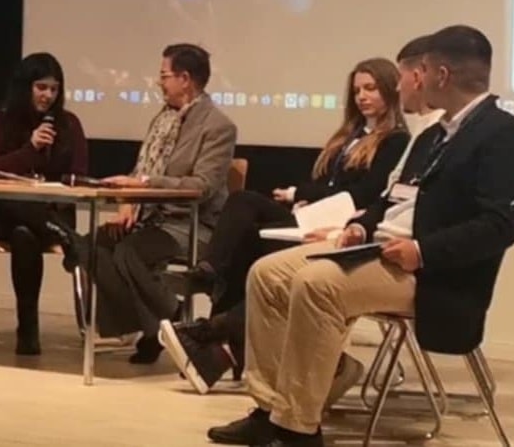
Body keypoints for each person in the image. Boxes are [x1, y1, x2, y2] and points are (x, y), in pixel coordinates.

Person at [205, 25, 514, 447]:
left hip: (429, 272)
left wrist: (421, 251)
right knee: (267, 274)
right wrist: (360, 226)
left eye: (420, 70)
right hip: (376, 247)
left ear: (441, 75)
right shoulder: (435, 135)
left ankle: (296, 427)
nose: (410, 82)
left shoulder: (503, 136)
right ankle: (270, 409)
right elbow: (390, 198)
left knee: (316, 284)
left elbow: (499, 226)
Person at [159, 56, 410, 392]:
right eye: (357, 91)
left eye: (371, 89)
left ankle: (213, 335)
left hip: (343, 224)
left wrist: (300, 194)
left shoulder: (395, 141)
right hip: (315, 214)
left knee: (259, 248)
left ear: (390, 91)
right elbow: (324, 183)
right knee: (244, 208)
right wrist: (306, 197)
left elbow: (364, 193)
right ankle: (209, 280)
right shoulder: (349, 136)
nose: (362, 96)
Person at [69, 43, 235, 364]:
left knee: (129, 251)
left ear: (185, 79)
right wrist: (127, 203)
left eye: (164, 75)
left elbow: (203, 186)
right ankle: (163, 322)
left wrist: (144, 185)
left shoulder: (217, 126)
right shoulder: (163, 120)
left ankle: (168, 321)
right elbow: (141, 170)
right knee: (91, 246)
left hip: (192, 223)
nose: (159, 82)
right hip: (150, 217)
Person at [0, 52, 89, 355]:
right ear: (25, 87)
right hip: (0, 213)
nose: (48, 95)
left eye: (54, 89)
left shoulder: (69, 124)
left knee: (24, 234)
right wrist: (30, 149)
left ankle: (28, 328)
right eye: (41, 87)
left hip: (51, 211)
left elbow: (78, 174)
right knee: (17, 204)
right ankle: (67, 238)